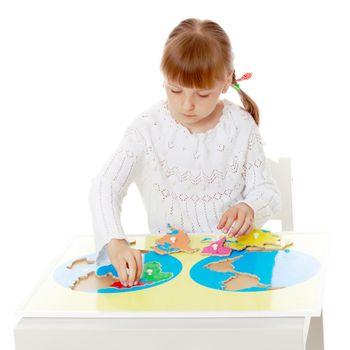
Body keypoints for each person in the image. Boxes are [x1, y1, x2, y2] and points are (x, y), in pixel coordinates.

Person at [89, 18, 281, 288]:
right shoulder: (148, 128)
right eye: (175, 90)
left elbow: (267, 192)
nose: (187, 104)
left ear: (226, 81)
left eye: (202, 94)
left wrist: (250, 207)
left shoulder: (240, 126)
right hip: (171, 270)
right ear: (164, 79)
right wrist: (116, 243)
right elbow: (105, 186)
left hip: (234, 267)